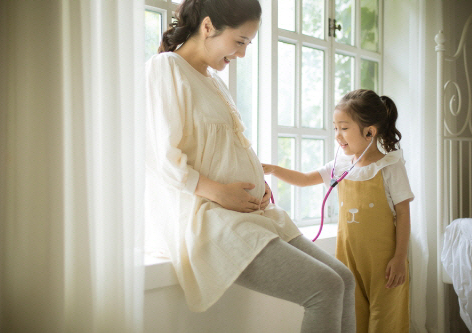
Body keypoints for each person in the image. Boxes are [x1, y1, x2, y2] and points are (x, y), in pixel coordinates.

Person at [144, 0, 356, 332]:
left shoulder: (214, 81)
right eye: (239, 41)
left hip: (252, 213)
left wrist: (256, 177)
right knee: (324, 288)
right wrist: (219, 192)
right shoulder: (166, 68)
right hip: (209, 217)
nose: (242, 54)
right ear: (209, 26)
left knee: (344, 278)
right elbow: (161, 158)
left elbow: (222, 146)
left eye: (247, 44)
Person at [263, 89, 414, 333]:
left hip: (384, 262)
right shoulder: (341, 165)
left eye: (343, 128)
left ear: (369, 132)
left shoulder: (390, 166)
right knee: (355, 317)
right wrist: (272, 169)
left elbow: (404, 214)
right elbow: (303, 179)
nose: (337, 135)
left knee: (386, 319)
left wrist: (399, 258)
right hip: (349, 257)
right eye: (335, 128)